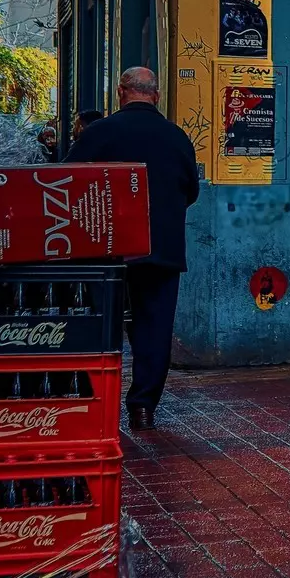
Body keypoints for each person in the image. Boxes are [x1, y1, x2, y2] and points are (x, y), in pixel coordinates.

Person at [69, 68, 200, 429]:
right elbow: (191, 190)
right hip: (161, 249)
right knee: (154, 329)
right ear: (155, 96)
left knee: (97, 325)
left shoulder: (99, 133)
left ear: (121, 92)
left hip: (106, 251)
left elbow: (65, 182)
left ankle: (92, 401)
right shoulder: (177, 137)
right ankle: (143, 407)